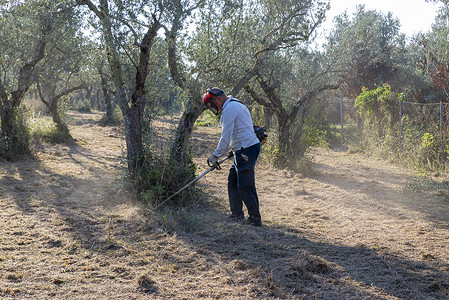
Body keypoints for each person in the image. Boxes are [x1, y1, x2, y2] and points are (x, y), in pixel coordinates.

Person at [202, 87, 262, 226]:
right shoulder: (235, 104)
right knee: (233, 181)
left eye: (212, 104)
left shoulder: (230, 109)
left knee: (245, 185)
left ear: (218, 98)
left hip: (245, 149)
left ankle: (255, 218)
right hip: (241, 148)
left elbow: (226, 137)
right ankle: (236, 214)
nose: (213, 107)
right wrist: (232, 150)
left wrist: (215, 156)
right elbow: (238, 131)